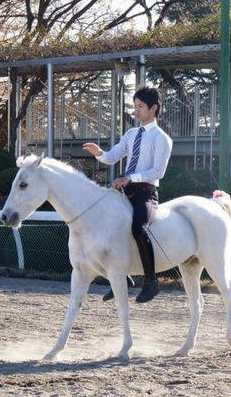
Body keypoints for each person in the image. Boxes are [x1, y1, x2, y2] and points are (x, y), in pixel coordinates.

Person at [83, 86, 172, 303]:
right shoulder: (131, 134)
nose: (136, 111)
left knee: (138, 229)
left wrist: (130, 178)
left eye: (140, 107)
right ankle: (121, 277)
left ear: (154, 108)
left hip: (146, 193)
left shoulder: (162, 139)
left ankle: (151, 281)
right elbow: (113, 156)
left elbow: (157, 172)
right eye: (135, 106)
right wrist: (99, 153)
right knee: (103, 225)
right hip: (125, 191)